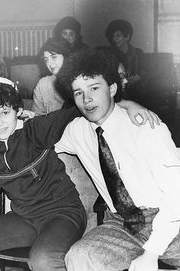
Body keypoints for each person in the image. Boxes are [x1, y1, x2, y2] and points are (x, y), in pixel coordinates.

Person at [0, 78, 155, 271]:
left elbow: (81, 108)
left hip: (63, 214)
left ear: (19, 111)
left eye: (5, 113)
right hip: (24, 217)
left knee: (43, 259)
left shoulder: (36, 130)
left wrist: (127, 104)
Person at [55, 49, 180, 271]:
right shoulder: (76, 130)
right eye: (78, 93)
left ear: (112, 88)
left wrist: (151, 254)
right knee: (79, 257)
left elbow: (175, 196)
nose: (87, 99)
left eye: (94, 88)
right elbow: (34, 137)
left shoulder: (146, 127)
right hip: (121, 222)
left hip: (170, 220)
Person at [105, 19, 143, 102]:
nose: (114, 39)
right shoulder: (110, 54)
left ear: (127, 36)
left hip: (137, 93)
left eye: (118, 36)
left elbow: (142, 74)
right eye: (113, 36)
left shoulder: (138, 53)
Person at [31, 37, 71, 115]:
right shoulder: (43, 84)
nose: (50, 64)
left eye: (54, 57)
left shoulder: (78, 81)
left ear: (66, 57)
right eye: (46, 60)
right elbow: (36, 118)